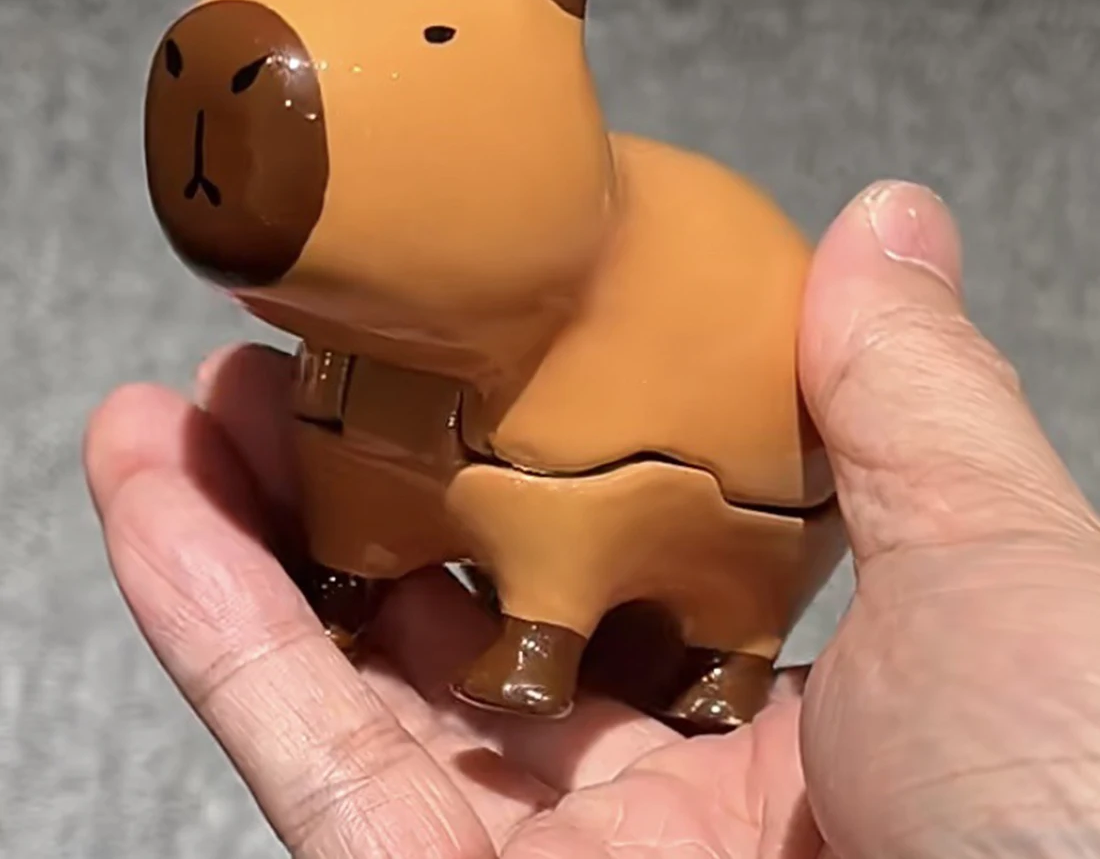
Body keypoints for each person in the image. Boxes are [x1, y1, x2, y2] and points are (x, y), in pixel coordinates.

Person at [82, 181, 1100, 858]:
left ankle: (694, 652)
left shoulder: (596, 296)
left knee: (570, 496)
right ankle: (360, 577)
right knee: (374, 477)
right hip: (427, 429)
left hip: (706, 474)